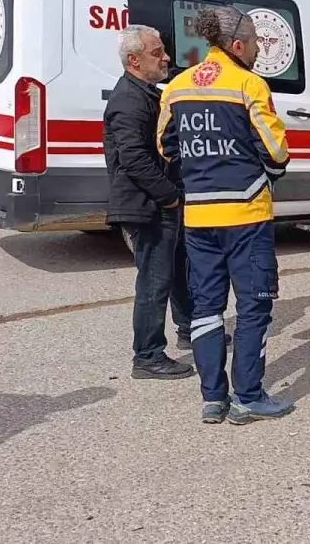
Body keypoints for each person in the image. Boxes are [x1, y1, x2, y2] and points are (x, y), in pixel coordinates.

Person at [158, 6, 294, 425]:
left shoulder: (176, 88)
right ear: (237, 45)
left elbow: (166, 146)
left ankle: (213, 399)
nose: (257, 50)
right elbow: (277, 151)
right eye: (255, 42)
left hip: (199, 217)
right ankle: (248, 396)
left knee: (206, 308)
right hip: (246, 214)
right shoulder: (248, 85)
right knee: (254, 307)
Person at [103, 25, 195, 381]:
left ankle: (188, 328)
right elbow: (134, 159)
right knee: (154, 281)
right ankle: (148, 355)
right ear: (134, 60)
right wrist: (170, 198)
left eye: (163, 50)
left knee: (176, 271)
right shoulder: (129, 99)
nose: (166, 57)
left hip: (159, 202)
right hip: (148, 206)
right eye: (157, 52)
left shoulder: (146, 93)